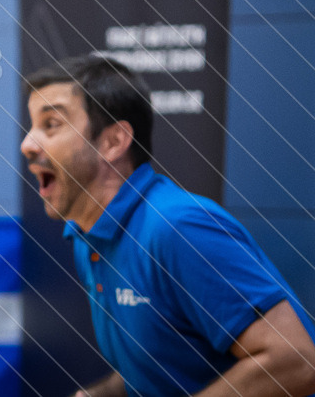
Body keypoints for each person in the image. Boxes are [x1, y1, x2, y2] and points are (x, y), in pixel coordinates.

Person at [20, 55, 315, 397]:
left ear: (114, 142)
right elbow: (159, 371)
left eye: (51, 124)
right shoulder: (87, 238)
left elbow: (295, 360)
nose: (28, 144)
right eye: (32, 127)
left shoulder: (178, 227)